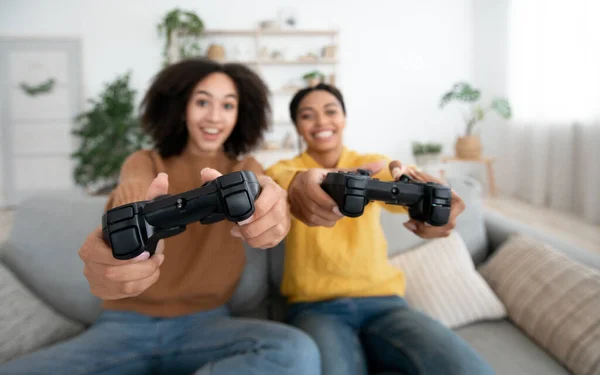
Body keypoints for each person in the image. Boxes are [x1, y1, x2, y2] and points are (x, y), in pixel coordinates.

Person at [0, 58, 319, 375]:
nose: (213, 117)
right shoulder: (144, 160)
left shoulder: (245, 168)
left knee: (295, 351)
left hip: (207, 325)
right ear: (181, 107)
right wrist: (138, 216)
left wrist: (272, 211)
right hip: (122, 326)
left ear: (241, 114)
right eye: (202, 102)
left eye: (227, 105)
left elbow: (265, 189)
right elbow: (131, 189)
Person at [265, 83, 494, 375]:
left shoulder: (369, 165)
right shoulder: (283, 169)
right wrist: (301, 184)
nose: (322, 121)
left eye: (331, 111)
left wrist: (428, 198)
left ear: (344, 120)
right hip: (316, 308)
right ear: (297, 126)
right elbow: (281, 181)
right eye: (308, 115)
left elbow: (394, 174)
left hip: (385, 305)